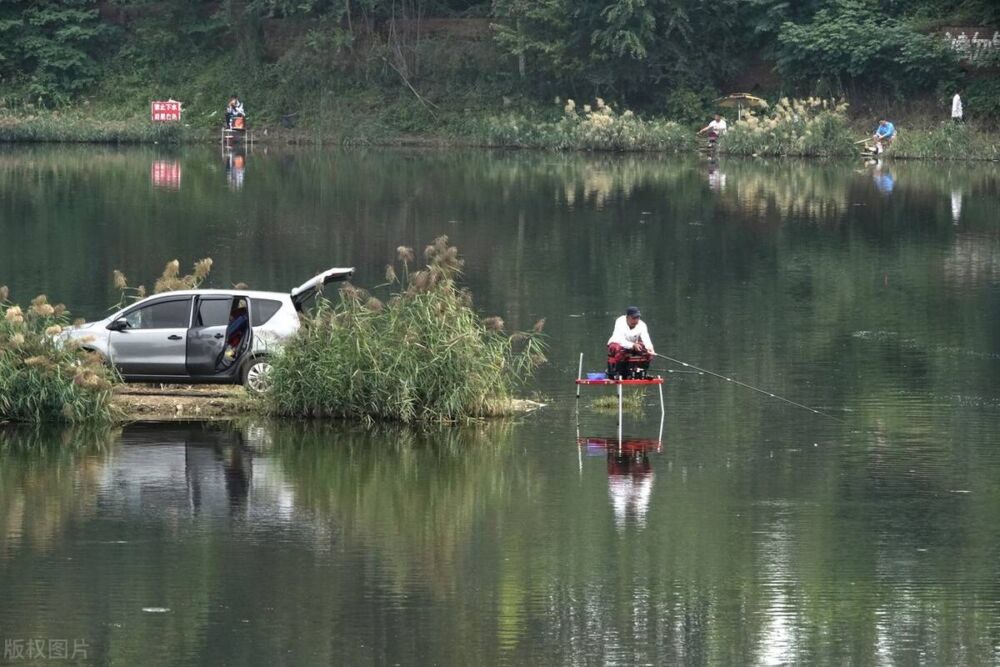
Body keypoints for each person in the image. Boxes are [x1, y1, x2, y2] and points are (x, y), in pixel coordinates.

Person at [607, 306, 655, 379]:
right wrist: (632, 345)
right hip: (617, 344)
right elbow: (620, 340)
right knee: (619, 348)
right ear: (627, 317)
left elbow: (646, 339)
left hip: (633, 346)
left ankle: (643, 372)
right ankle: (618, 372)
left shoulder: (642, 325)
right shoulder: (620, 321)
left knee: (646, 351)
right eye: (633, 318)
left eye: (638, 318)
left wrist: (650, 349)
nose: (636, 320)